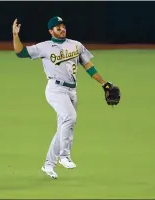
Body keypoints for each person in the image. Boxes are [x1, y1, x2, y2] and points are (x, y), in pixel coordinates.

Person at [12, 17, 120, 179]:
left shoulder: (76, 45)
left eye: (63, 26)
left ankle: (48, 164)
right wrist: (15, 35)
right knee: (69, 117)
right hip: (55, 89)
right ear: (51, 31)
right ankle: (64, 156)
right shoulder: (44, 47)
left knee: (63, 126)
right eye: (57, 27)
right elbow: (20, 53)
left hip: (71, 91)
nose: (62, 29)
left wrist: (103, 84)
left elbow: (88, 66)